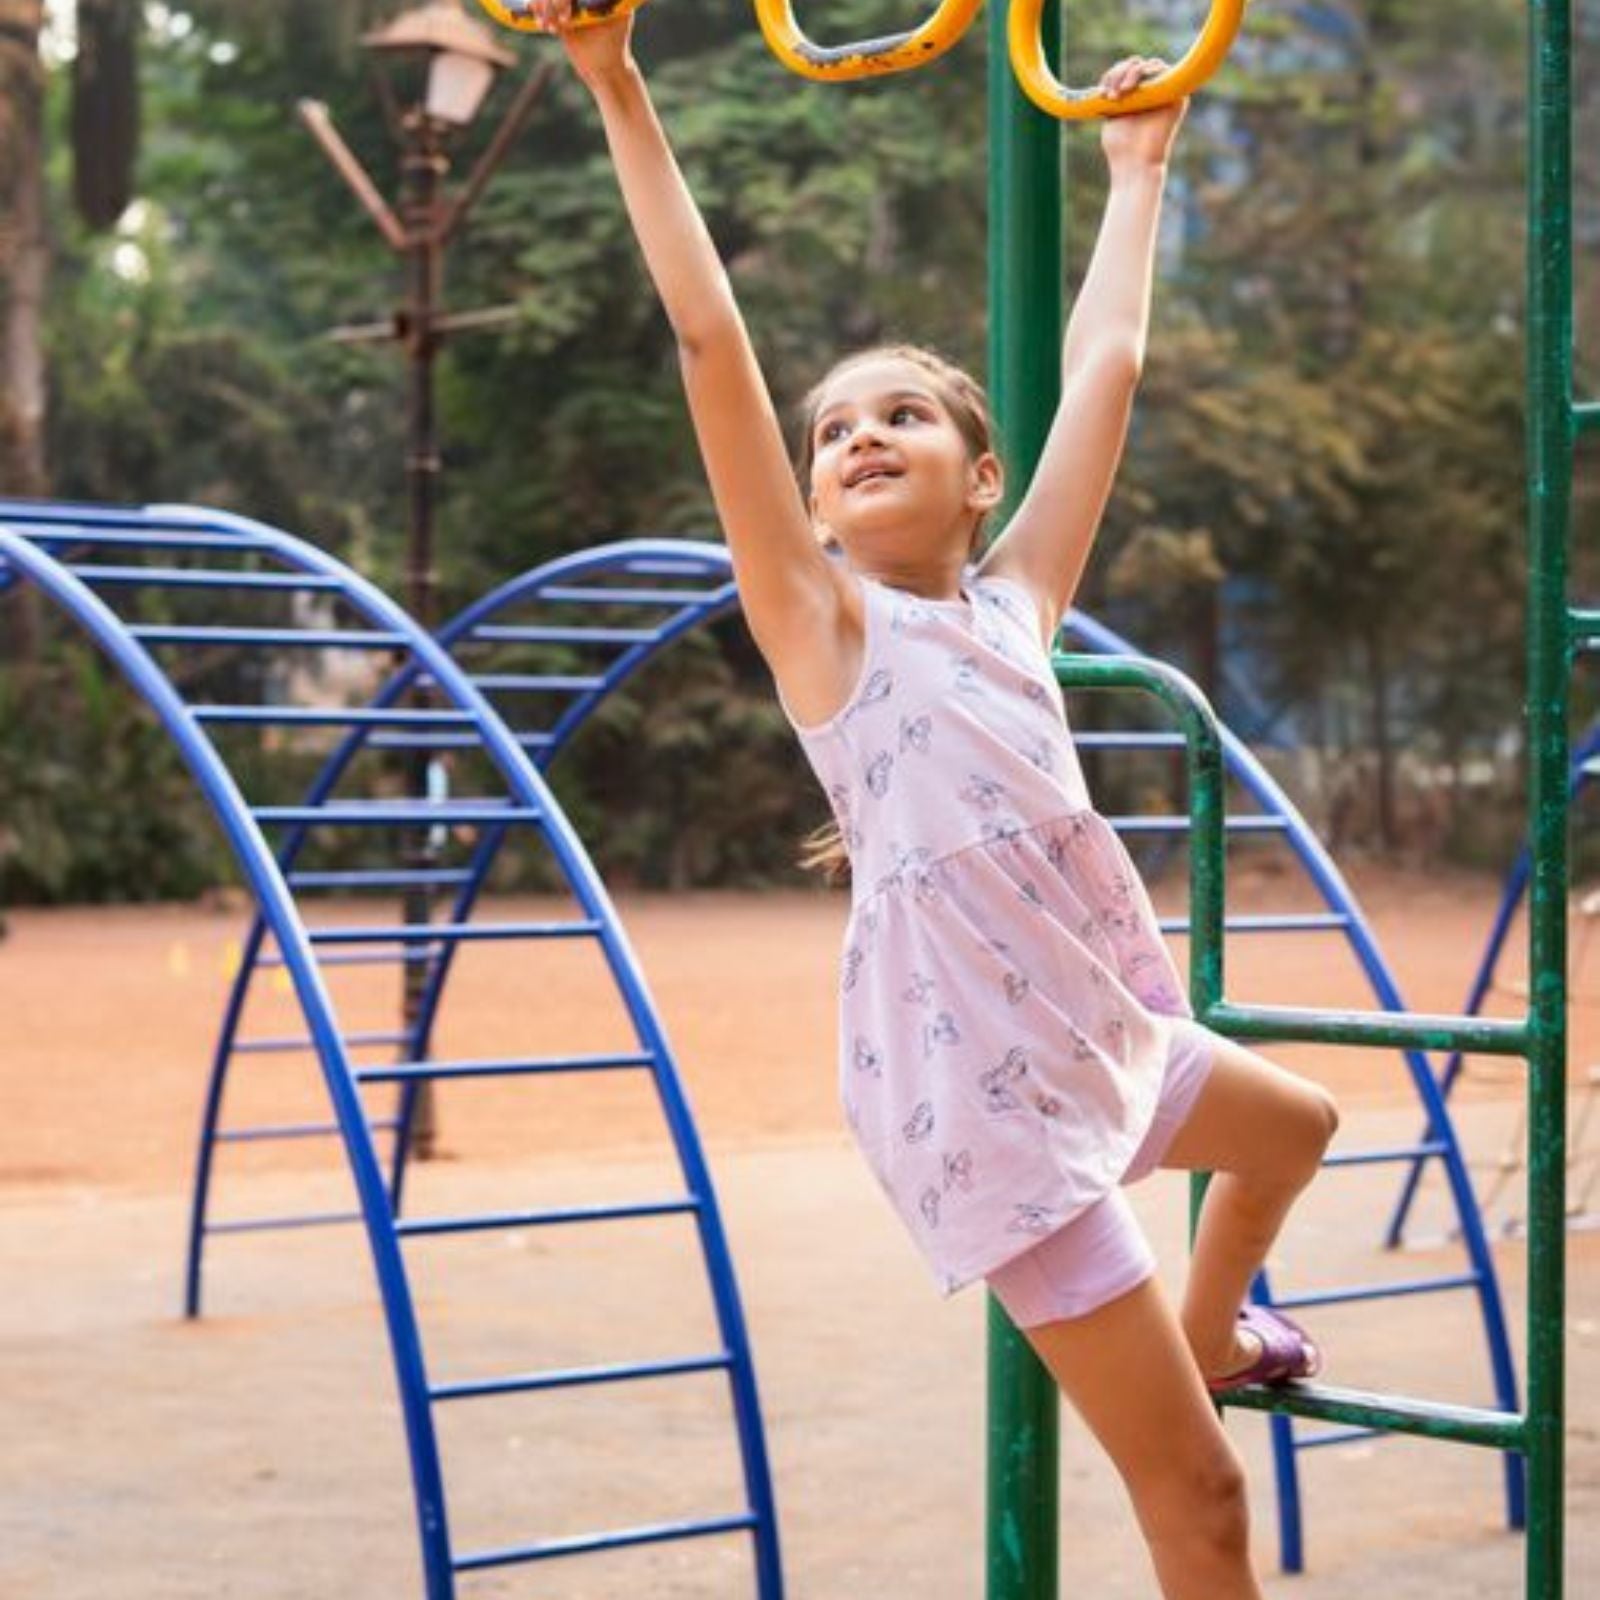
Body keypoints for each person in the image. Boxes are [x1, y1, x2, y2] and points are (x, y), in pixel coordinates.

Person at [530, 6, 1340, 1595]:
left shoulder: (1016, 606)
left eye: (900, 414)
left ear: (982, 479)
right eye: (834, 432)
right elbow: (710, 344)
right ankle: (1197, 1381)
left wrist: (1139, 169)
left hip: (1098, 1033)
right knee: (1201, 1500)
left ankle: (1210, 1329)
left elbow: (1106, 367)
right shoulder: (824, 633)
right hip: (990, 1104)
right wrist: (616, 80)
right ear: (813, 509)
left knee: (1296, 1126)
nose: (857, 437)